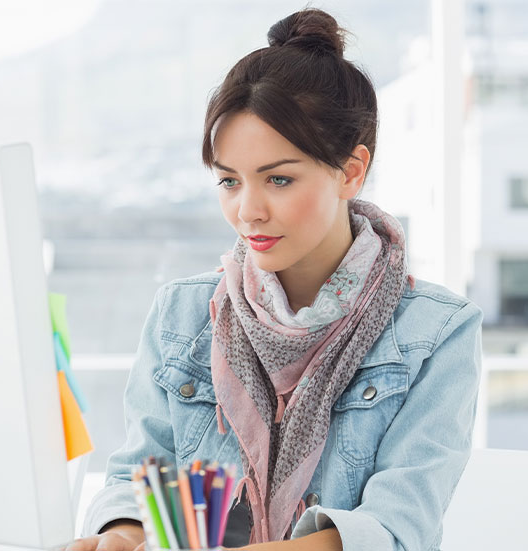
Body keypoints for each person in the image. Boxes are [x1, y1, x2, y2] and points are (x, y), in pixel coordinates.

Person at [68, 8, 483, 551]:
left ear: (351, 170)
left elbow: (395, 530)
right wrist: (122, 535)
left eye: (279, 179)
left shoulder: (436, 334)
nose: (248, 211)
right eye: (229, 181)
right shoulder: (183, 314)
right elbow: (139, 477)